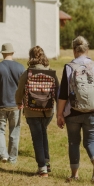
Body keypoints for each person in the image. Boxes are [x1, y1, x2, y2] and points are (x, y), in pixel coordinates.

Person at [57, 36, 94, 184]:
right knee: (91, 141)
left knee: (73, 142)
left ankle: (75, 175)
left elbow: (63, 94)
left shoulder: (69, 67)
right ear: (87, 49)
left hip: (73, 112)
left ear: (74, 50)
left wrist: (59, 114)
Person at [15, 46, 59, 177]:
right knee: (43, 133)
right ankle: (46, 162)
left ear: (31, 57)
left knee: (37, 138)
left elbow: (19, 91)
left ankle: (42, 169)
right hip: (48, 111)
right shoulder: (51, 72)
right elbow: (58, 91)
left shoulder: (28, 73)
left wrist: (18, 102)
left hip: (32, 111)